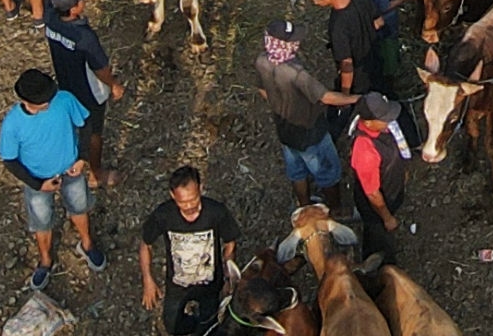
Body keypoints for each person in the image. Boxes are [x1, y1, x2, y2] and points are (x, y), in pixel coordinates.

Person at [0, 69, 100, 291]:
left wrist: (82, 158)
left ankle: (87, 243)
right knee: (41, 221)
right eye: (42, 100)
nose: (48, 102)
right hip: (38, 180)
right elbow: (10, 160)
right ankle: (45, 260)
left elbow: (85, 123)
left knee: (79, 207)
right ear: (25, 100)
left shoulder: (64, 100)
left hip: (71, 170)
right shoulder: (13, 124)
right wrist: (38, 184)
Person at [255, 19, 350, 203]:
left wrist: (280, 104)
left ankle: (304, 204)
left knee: (297, 172)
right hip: (311, 133)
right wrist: (355, 98)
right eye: (292, 41)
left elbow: (262, 90)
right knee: (327, 173)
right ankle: (336, 209)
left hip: (285, 131)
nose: (297, 43)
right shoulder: (296, 73)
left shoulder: (262, 61)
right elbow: (326, 97)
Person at [141, 166, 237, 336]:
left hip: (210, 285)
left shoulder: (216, 212)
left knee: (209, 326)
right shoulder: (164, 215)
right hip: (178, 285)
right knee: (172, 326)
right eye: (182, 202)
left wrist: (229, 276)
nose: (189, 206)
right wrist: (148, 279)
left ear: (200, 188)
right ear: (173, 195)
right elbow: (145, 244)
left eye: (193, 200)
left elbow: (230, 242)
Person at [47, 0, 124, 187]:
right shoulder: (84, 37)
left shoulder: (50, 18)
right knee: (94, 132)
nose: (85, 1)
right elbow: (100, 68)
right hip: (89, 91)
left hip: (65, 85)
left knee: (72, 124)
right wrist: (114, 85)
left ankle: (71, 158)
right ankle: (95, 174)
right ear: (74, 9)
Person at [345, 94, 409, 259]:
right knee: (378, 238)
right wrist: (387, 218)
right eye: (384, 118)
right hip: (376, 208)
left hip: (390, 191)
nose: (389, 120)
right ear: (368, 122)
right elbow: (373, 193)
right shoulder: (365, 150)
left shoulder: (381, 128)